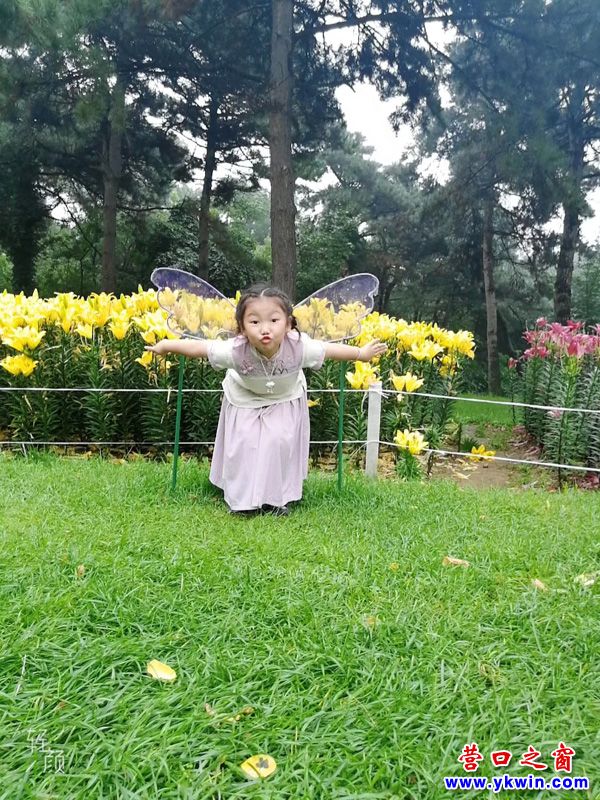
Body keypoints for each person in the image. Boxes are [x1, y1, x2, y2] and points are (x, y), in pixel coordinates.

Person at [146, 283, 386, 516]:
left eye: (274, 320)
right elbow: (201, 348)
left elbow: (329, 350)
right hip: (244, 398)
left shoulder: (300, 347)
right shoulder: (235, 350)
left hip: (284, 398)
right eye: (254, 322)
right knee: (245, 443)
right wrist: (167, 345)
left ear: (289, 324)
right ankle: (240, 500)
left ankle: (276, 499)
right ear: (241, 327)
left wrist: (361, 354)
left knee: (278, 442)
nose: (265, 329)